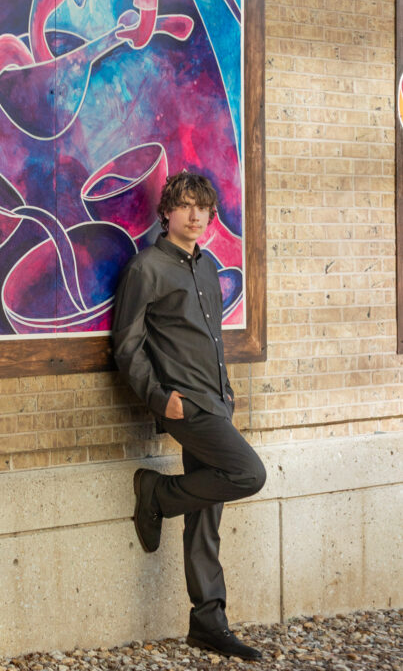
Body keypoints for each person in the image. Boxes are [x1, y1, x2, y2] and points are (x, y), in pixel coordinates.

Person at [112, 171, 266, 662]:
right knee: (247, 473)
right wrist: (160, 400)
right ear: (167, 212)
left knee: (206, 515)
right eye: (185, 205)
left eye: (203, 207)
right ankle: (155, 492)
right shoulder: (147, 268)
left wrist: (227, 390)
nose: (196, 215)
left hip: (215, 402)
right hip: (185, 406)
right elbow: (127, 346)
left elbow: (213, 341)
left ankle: (208, 622)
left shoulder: (208, 267)